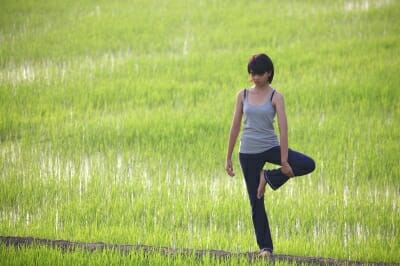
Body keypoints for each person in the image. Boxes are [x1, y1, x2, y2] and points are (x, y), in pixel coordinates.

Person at [225, 53, 315, 257]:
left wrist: (283, 161)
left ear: (269, 73)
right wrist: (228, 157)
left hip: (270, 146)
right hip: (247, 151)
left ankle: (267, 177)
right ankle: (266, 248)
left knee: (307, 164)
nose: (254, 77)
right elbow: (235, 127)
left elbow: (284, 130)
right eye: (251, 73)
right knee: (256, 201)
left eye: (259, 73)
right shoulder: (243, 95)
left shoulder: (276, 96)